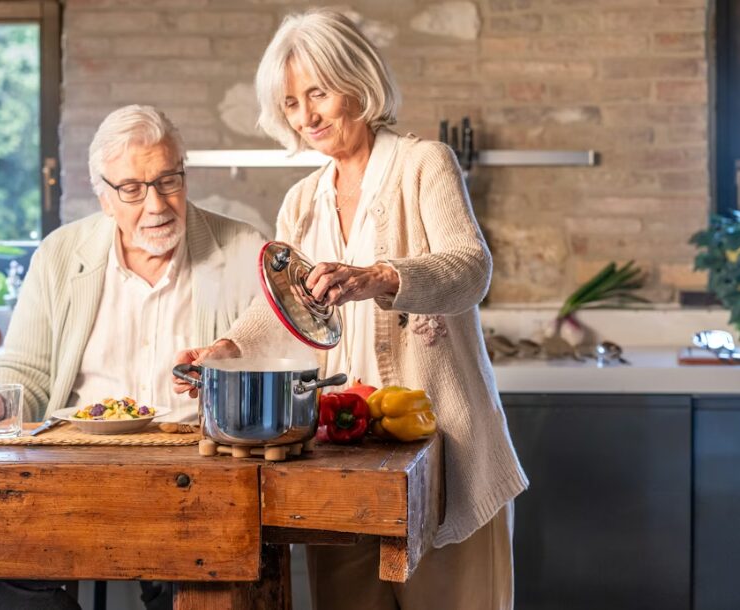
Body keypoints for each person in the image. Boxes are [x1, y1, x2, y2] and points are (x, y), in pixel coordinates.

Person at [174, 9, 528, 610]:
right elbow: (285, 312)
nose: (306, 116)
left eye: (318, 92)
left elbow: (471, 267)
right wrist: (227, 351)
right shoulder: (302, 202)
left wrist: (379, 277)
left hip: (442, 450)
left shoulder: (425, 164)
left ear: (358, 83)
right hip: (341, 458)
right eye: (290, 103)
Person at [0, 104, 264, 610]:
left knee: (198, 582)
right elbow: (25, 370)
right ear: (104, 197)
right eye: (133, 189)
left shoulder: (246, 250)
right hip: (72, 477)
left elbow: (276, 358)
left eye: (168, 180)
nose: (156, 203)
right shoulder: (59, 255)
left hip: (194, 480)